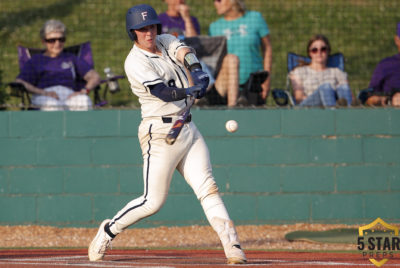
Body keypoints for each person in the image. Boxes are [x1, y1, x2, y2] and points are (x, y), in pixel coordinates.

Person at [88, 4, 246, 265]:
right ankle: (108, 230)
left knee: (209, 189)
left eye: (151, 26)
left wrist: (197, 72)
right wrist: (189, 91)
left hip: (187, 128)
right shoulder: (134, 62)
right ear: (133, 33)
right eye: (142, 29)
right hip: (160, 133)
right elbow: (162, 92)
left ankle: (233, 246)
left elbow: (184, 51)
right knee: (153, 202)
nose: (148, 33)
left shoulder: (165, 39)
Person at [159, 0, 240, 107]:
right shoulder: (160, 20)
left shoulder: (192, 20)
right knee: (182, 58)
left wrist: (186, 18)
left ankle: (232, 107)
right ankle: (194, 99)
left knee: (231, 59)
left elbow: (194, 44)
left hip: (198, 71)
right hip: (174, 77)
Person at [15, 19, 101, 111]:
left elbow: (95, 76)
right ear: (44, 41)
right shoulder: (36, 60)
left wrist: (84, 90)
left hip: (69, 95)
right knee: (53, 106)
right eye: (52, 40)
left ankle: (80, 126)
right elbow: (20, 82)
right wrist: (43, 92)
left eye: (61, 39)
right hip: (44, 95)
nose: (57, 44)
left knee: (84, 101)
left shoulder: (71, 58)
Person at [209, 0, 272, 105]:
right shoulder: (215, 27)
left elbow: (267, 47)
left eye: (219, 0)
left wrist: (267, 79)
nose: (216, 3)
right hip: (226, 88)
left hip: (253, 84)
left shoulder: (255, 18)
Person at [289, 34, 353, 107]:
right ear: (309, 53)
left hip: (333, 101)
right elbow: (299, 98)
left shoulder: (336, 72)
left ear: (328, 51)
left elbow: (349, 94)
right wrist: (320, 98)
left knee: (343, 87)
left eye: (323, 49)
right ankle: (332, 113)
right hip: (308, 107)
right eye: (314, 50)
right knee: (326, 88)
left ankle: (348, 113)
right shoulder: (299, 71)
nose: (319, 53)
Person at [365, 22, 400, 107]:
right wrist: (388, 100)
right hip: (391, 115)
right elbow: (369, 99)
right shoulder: (386, 65)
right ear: (397, 40)